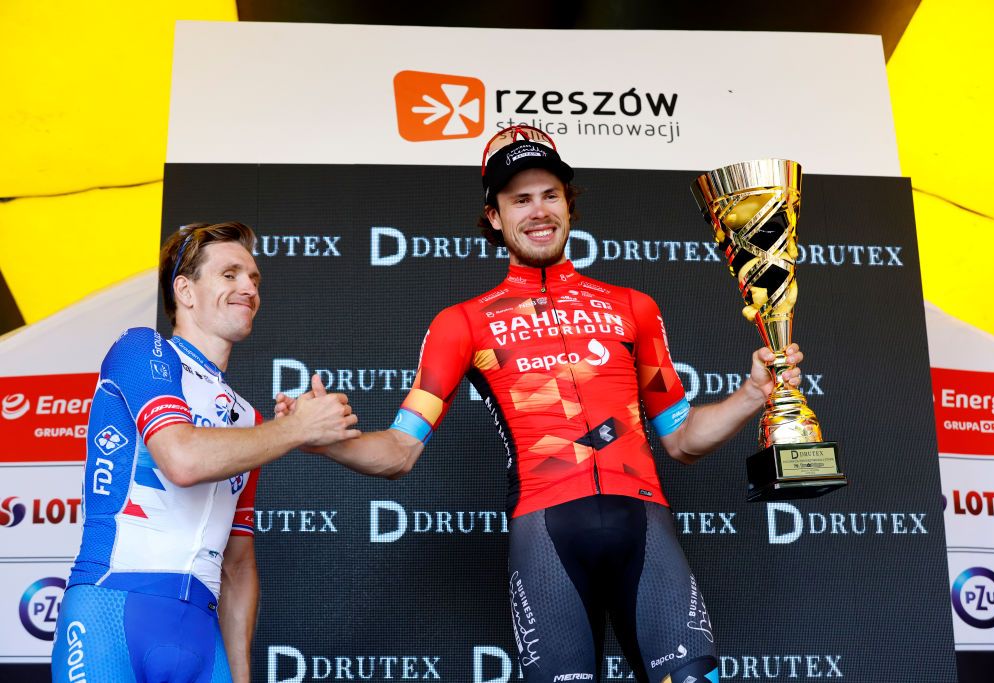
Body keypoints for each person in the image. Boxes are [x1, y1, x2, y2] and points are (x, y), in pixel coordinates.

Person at [278, 127, 804, 683]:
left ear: (569, 206)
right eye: (519, 199)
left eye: (550, 194)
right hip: (547, 536)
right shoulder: (463, 324)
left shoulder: (634, 309)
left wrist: (754, 393)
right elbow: (401, 451)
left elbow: (682, 440)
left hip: (644, 526)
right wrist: (315, 439)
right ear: (495, 217)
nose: (538, 211)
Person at [51, 222, 359, 683]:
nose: (249, 288)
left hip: (201, 634)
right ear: (185, 290)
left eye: (254, 278)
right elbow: (182, 459)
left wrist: (239, 673)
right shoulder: (143, 349)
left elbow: (237, 563)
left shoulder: (248, 420)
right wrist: (295, 428)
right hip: (110, 610)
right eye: (230, 274)